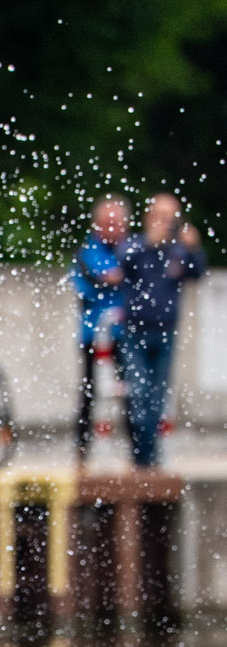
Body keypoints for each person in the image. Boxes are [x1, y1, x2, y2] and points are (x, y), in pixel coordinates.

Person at [116, 192, 207, 468]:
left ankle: (149, 457)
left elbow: (198, 272)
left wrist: (194, 248)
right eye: (161, 217)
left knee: (157, 396)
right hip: (135, 331)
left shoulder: (178, 251)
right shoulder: (135, 245)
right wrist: (149, 243)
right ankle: (141, 454)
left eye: (172, 219)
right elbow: (122, 262)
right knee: (138, 393)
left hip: (166, 331)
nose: (167, 224)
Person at [73, 195, 130, 465]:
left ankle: (137, 453)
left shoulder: (129, 250)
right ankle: (82, 451)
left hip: (124, 335)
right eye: (107, 223)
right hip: (93, 335)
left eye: (116, 223)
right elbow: (95, 280)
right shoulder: (87, 254)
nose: (112, 229)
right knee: (89, 394)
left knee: (130, 393)